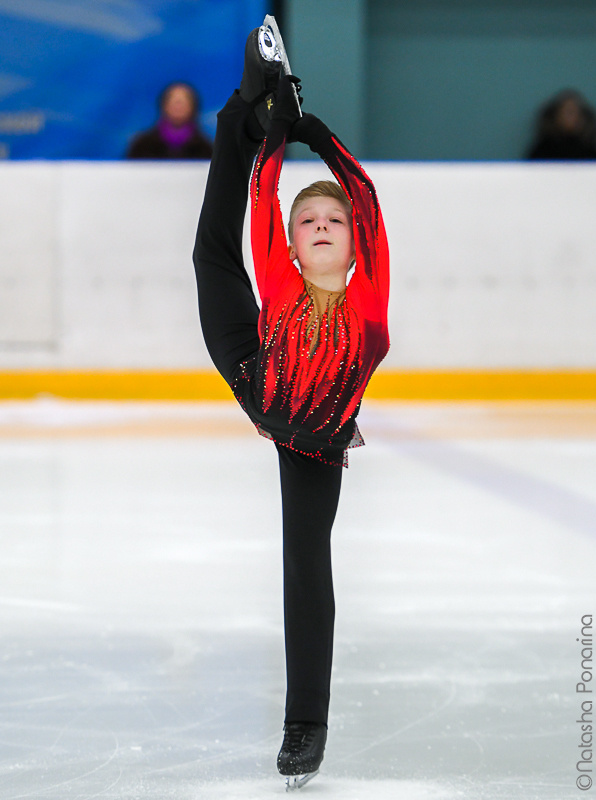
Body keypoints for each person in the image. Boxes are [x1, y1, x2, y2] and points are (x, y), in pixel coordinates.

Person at [192, 25, 389, 788]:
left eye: (331, 222)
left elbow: (363, 195)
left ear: (353, 243)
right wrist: (272, 127)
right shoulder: (280, 279)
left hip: (314, 439)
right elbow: (262, 196)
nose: (320, 227)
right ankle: (240, 111)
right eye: (308, 224)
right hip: (255, 368)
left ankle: (306, 723)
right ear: (295, 247)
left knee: (307, 563)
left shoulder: (368, 299)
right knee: (213, 251)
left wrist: (316, 133)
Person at [126, 81, 213, 159]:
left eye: (183, 102)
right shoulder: (142, 146)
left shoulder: (206, 148)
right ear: (163, 105)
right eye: (174, 101)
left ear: (193, 107)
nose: (178, 106)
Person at [526, 89, 596, 161]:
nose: (572, 118)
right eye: (567, 112)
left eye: (575, 113)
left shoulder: (590, 153)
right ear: (555, 116)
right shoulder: (541, 152)